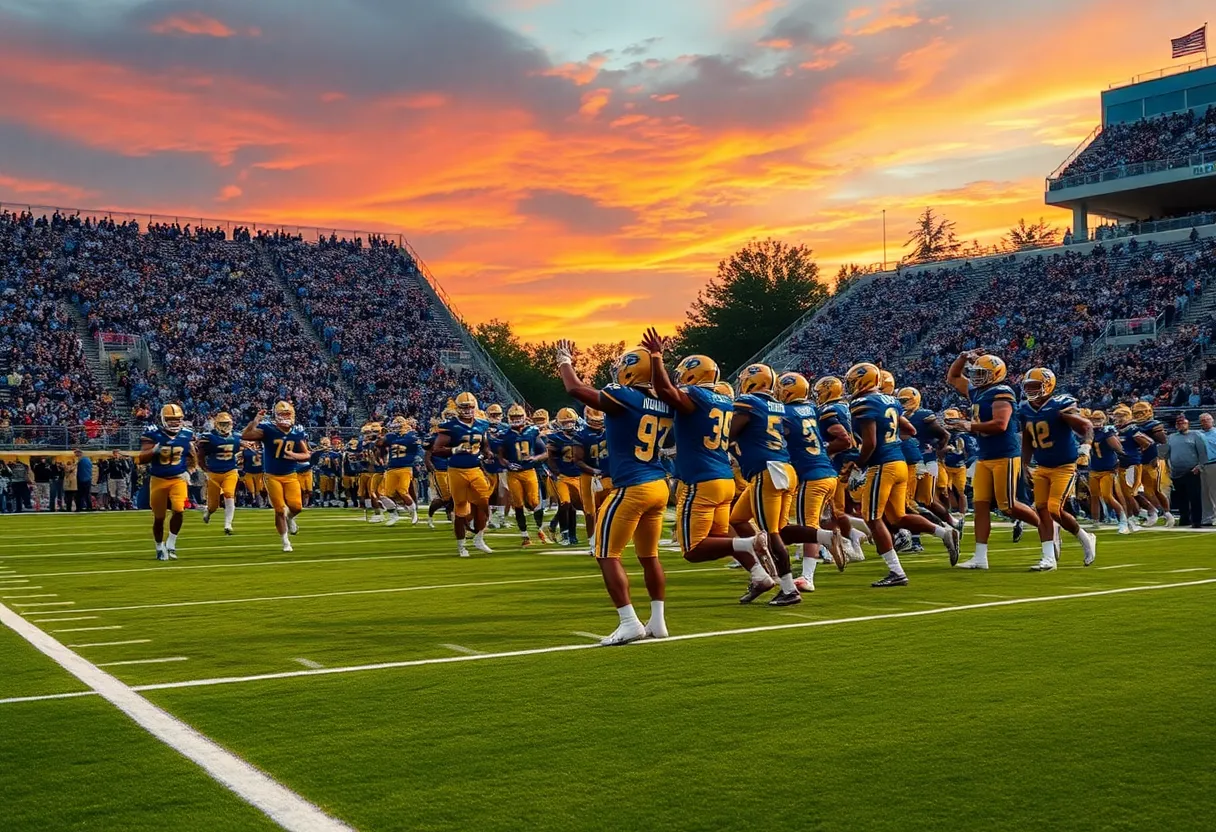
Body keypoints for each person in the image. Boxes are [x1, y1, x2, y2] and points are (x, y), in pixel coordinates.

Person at [556, 340, 671, 645]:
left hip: (632, 485)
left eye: (623, 365)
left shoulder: (626, 395)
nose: (617, 370)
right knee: (649, 556)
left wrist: (564, 361)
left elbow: (576, 391)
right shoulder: (664, 400)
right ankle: (658, 622)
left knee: (606, 553)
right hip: (659, 484)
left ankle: (629, 621)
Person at [639, 332, 772, 589]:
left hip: (701, 479)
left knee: (692, 549)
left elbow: (667, 391)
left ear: (693, 374)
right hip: (722, 477)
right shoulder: (724, 399)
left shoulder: (696, 397)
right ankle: (759, 574)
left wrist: (656, 357)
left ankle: (750, 543)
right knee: (720, 535)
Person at [847, 363, 959, 587]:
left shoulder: (863, 403)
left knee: (872, 518)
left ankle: (896, 572)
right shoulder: (890, 400)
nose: (850, 386)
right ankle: (944, 532)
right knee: (897, 517)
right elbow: (910, 430)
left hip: (882, 466)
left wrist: (857, 465)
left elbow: (870, 443)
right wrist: (893, 442)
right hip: (899, 462)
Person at [945, 351, 1039, 569]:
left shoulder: (1002, 392)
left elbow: (1000, 424)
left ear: (995, 374)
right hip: (986, 455)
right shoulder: (978, 392)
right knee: (980, 506)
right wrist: (962, 357)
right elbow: (953, 378)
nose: (976, 377)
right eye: (976, 373)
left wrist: (968, 425)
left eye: (981, 373)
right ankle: (980, 556)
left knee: (1007, 506)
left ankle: (1048, 527)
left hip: (1004, 454)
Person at [1018, 368, 1097, 570]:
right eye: (1028, 387)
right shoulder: (1025, 409)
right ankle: (1048, 558)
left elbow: (1086, 426)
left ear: (1048, 386)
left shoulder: (1059, 405)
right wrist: (1024, 463)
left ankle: (1085, 538)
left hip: (1064, 466)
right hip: (1042, 466)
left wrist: (1086, 446)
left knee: (1054, 508)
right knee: (1041, 510)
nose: (1031, 391)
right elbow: (1027, 438)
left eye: (1035, 386)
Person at [777, 371, 849, 591]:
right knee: (816, 521)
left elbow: (844, 437)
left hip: (812, 475)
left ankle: (808, 576)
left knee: (809, 526)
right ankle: (826, 547)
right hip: (827, 473)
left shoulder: (786, 413)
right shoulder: (811, 410)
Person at [431, 393, 495, 557]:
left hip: (475, 469)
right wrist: (454, 449)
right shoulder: (449, 426)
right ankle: (461, 546)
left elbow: (485, 446)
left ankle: (479, 538)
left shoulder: (482, 425)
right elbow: (437, 450)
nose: (467, 410)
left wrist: (488, 454)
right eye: (464, 407)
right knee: (460, 508)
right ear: (457, 408)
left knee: (484, 502)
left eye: (470, 407)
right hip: (456, 470)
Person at [242, 401, 311, 553]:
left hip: (291, 474)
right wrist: (256, 421)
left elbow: (307, 454)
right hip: (272, 475)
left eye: (287, 414)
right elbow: (245, 435)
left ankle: (290, 518)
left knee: (297, 507)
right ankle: (285, 541)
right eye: (282, 414)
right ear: (276, 415)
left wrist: (294, 455)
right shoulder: (268, 429)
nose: (285, 417)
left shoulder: (297, 431)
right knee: (279, 510)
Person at [137, 404, 195, 560]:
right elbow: (141, 458)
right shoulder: (152, 434)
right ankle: (158, 545)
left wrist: (189, 471)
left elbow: (193, 456)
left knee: (179, 509)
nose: (175, 423)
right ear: (163, 419)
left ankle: (171, 542)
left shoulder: (187, 434)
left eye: (177, 420)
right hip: (158, 479)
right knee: (159, 517)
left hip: (177, 478)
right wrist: (154, 450)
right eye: (171, 420)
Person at [496, 404, 550, 546]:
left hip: (529, 471)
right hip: (513, 473)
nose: (516, 420)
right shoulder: (505, 435)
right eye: (513, 417)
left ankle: (539, 529)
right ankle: (525, 536)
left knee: (534, 502)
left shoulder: (532, 431)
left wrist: (535, 458)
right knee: (518, 503)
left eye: (518, 417)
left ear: (524, 417)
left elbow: (545, 452)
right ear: (509, 418)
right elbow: (500, 456)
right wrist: (507, 464)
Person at [198, 412, 240, 534]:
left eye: (226, 424)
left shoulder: (236, 437)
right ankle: (208, 512)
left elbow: (239, 446)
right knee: (213, 506)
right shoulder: (209, 437)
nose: (225, 426)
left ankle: (228, 525)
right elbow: (200, 454)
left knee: (229, 493)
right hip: (214, 473)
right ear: (216, 424)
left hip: (230, 471)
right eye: (222, 424)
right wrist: (204, 468)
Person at [1164, 413, 1208, 528]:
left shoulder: (1195, 435)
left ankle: (1196, 520)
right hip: (1176, 472)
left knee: (1194, 497)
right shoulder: (1172, 437)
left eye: (1183, 423)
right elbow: (1167, 454)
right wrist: (1168, 468)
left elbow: (1202, 452)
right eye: (1178, 423)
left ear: (1188, 424)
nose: (1180, 425)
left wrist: (1200, 466)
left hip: (1191, 471)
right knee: (1181, 498)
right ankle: (1184, 519)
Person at [1198, 412, 1216, 526]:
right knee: (1204, 493)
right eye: (1203, 420)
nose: (1205, 422)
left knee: (1214, 491)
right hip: (1202, 465)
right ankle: (1207, 518)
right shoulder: (1198, 434)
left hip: (1214, 462)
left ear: (1212, 420)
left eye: (1207, 420)